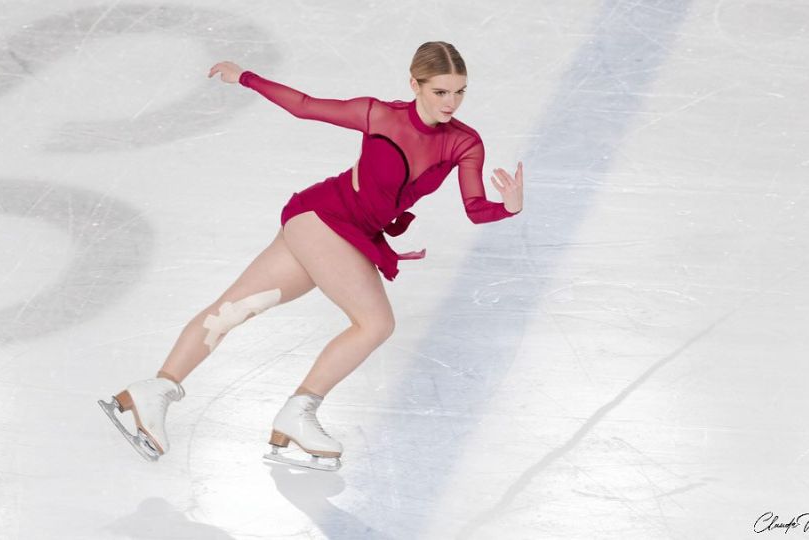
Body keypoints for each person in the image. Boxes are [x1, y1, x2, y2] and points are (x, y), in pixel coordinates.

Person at [98, 41, 524, 471]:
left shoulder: (464, 143)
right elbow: (304, 106)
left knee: (232, 311)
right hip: (323, 218)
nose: (451, 103)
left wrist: (508, 207)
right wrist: (245, 76)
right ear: (415, 84)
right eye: (441, 92)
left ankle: (153, 389)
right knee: (375, 324)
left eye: (460, 92)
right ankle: (296, 414)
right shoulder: (379, 115)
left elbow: (475, 208)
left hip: (342, 231)